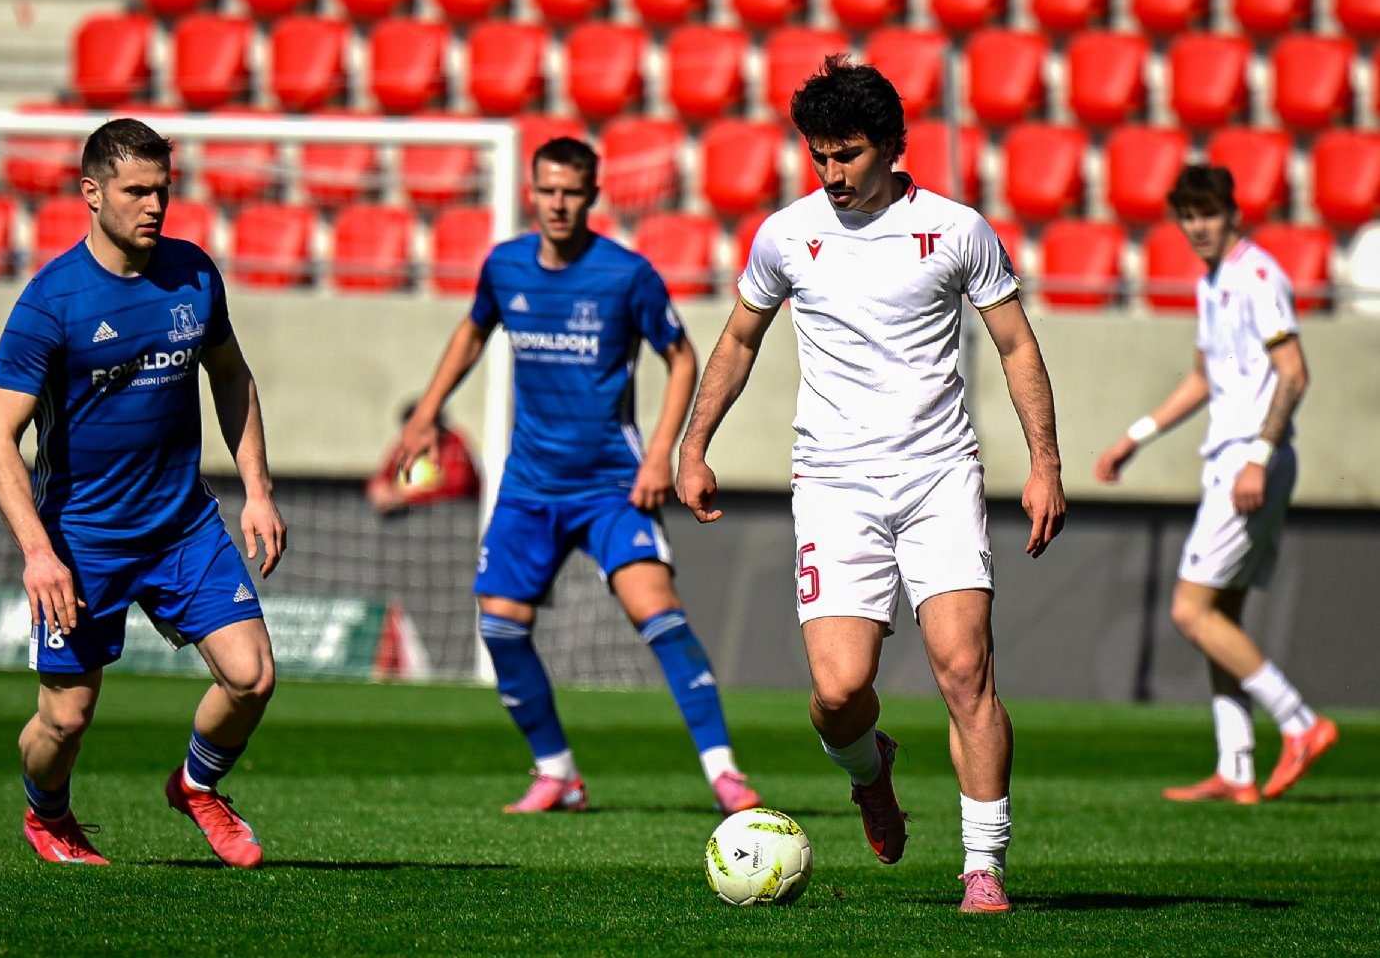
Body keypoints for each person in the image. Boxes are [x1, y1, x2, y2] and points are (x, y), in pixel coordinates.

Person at [676, 56, 1067, 915]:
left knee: (964, 670)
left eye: (847, 154)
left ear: (892, 146)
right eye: (819, 156)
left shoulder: (957, 230)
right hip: (834, 483)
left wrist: (1045, 463)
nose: (832, 173)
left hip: (938, 475)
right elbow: (739, 339)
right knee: (839, 692)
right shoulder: (786, 235)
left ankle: (984, 868)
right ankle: (869, 771)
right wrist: (693, 444)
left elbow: (1016, 345)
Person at [398, 136, 762, 816]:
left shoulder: (626, 275)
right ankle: (556, 772)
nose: (558, 204)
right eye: (548, 190)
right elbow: (473, 332)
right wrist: (426, 413)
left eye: (571, 192)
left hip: (611, 487)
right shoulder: (505, 266)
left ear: (592, 196)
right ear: (531, 192)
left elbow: (682, 358)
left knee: (659, 616)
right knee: (500, 626)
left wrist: (660, 454)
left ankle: (724, 774)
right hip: (530, 486)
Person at [0, 118, 286, 869]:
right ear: (91, 193)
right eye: (137, 191)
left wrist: (257, 487)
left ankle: (196, 786)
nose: (155, 205)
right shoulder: (51, 301)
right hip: (83, 540)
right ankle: (48, 813)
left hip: (183, 527)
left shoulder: (193, 274)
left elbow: (230, 374)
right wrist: (39, 554)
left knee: (253, 677)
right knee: (65, 720)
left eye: (163, 190)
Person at [1093, 164, 1338, 805]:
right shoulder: (1213, 283)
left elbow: (1294, 372)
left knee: (1189, 610)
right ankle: (1237, 766)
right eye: (1188, 216)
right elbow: (1203, 379)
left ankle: (1300, 722)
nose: (1198, 226)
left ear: (1233, 213)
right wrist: (1135, 436)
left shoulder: (1259, 277)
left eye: (1208, 213)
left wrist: (1258, 455)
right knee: (1219, 615)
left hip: (1250, 461)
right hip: (1235, 459)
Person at [366, 402, 481, 516]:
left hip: (451, 516)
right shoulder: (404, 445)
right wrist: (380, 489)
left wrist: (408, 496)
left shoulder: (453, 444)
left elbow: (457, 487)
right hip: (410, 518)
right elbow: (382, 476)